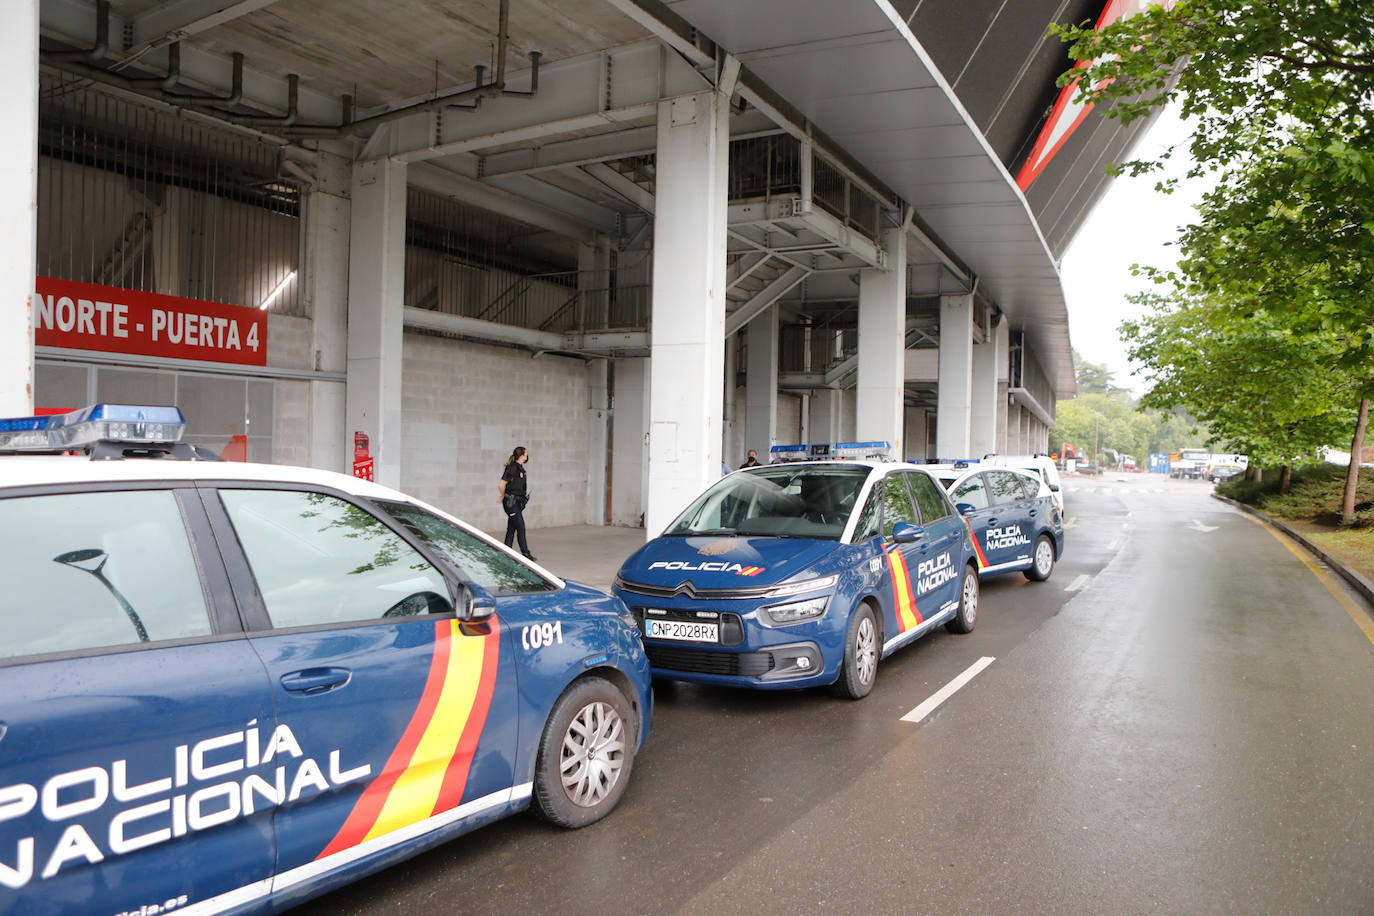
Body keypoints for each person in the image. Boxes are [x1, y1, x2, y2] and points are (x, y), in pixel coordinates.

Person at [499, 446, 535, 560]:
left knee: (511, 528)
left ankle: (506, 551)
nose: (527, 456)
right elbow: (501, 484)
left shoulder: (521, 469)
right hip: (511, 502)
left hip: (518, 503)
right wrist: (502, 496)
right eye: (525, 454)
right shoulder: (511, 468)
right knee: (521, 527)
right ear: (521, 456)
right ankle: (525, 553)